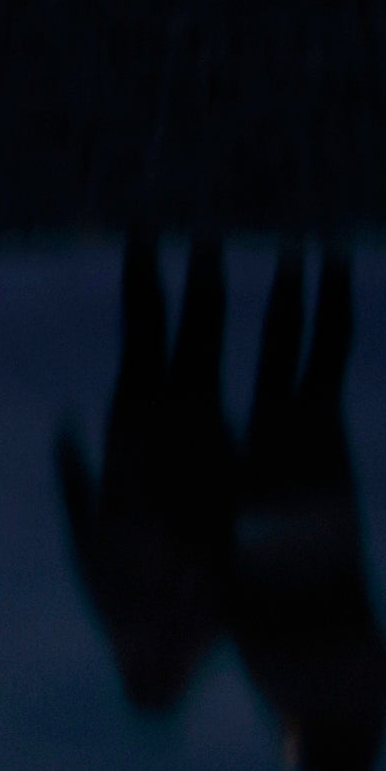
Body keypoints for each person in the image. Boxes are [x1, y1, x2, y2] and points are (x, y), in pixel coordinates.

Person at [226, 242, 386, 771]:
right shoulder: (283, 694)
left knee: (323, 376)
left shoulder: (370, 693)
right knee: (273, 379)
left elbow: (366, 615)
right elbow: (243, 620)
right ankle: (293, 263)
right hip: (263, 524)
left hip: (324, 520)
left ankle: (334, 262)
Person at [55, 234, 240, 715]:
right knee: (146, 337)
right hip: (140, 460)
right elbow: (85, 537)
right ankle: (145, 239)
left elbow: (232, 553)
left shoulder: (204, 626)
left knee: (198, 340)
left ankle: (200, 242)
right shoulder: (121, 614)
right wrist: (70, 466)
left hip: (192, 463)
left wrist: (239, 471)